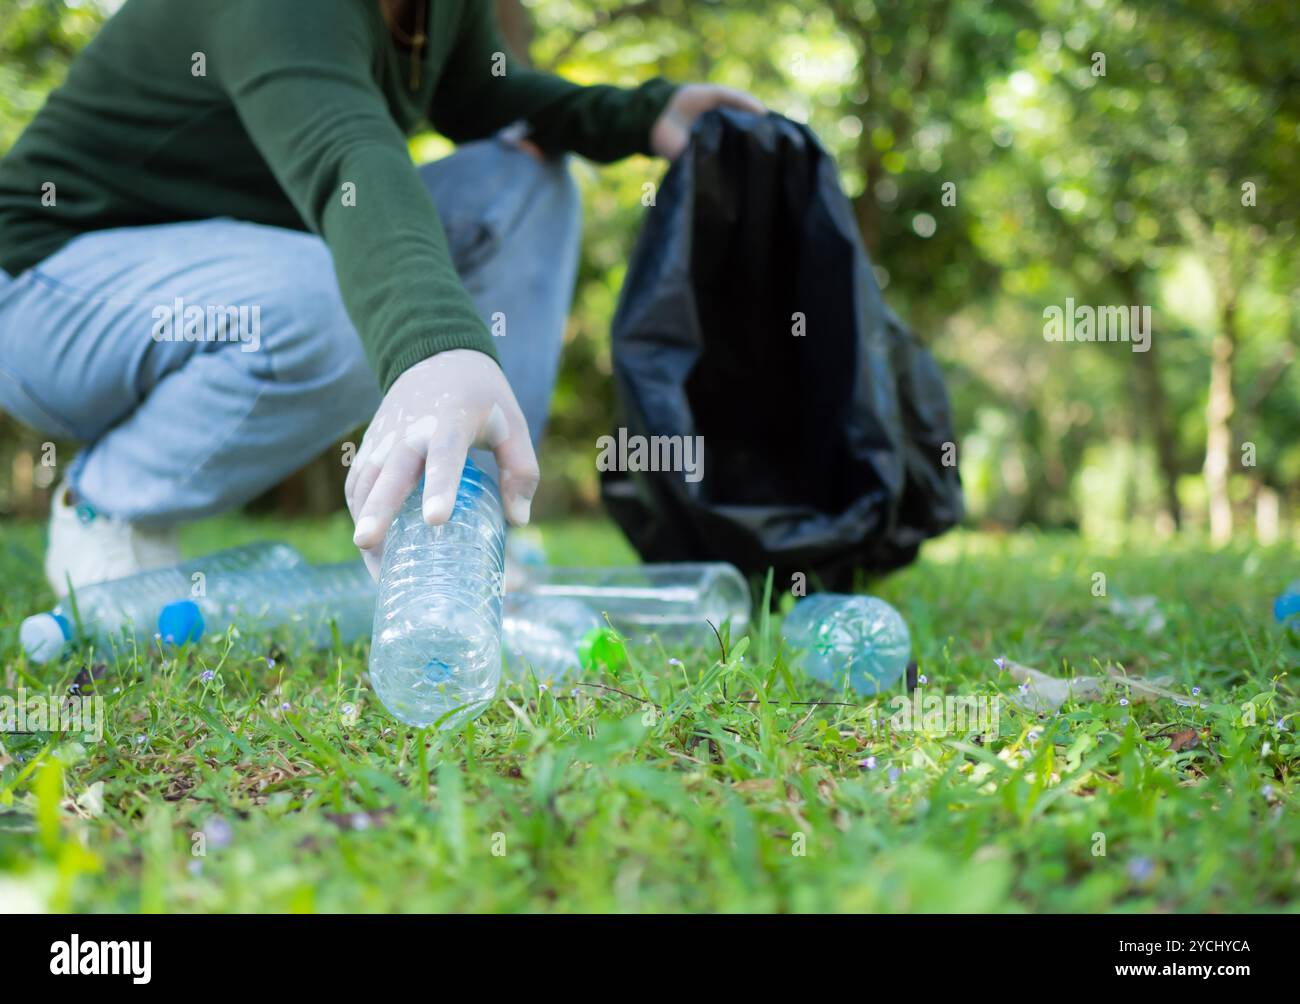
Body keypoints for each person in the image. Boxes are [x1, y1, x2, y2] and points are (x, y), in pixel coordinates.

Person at [0, 0, 763, 593]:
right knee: (342, 295)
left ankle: (465, 525)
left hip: (232, 267)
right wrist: (438, 346)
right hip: (46, 293)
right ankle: (107, 504)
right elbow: (349, 156)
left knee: (526, 182)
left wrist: (641, 115)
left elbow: (480, 97)